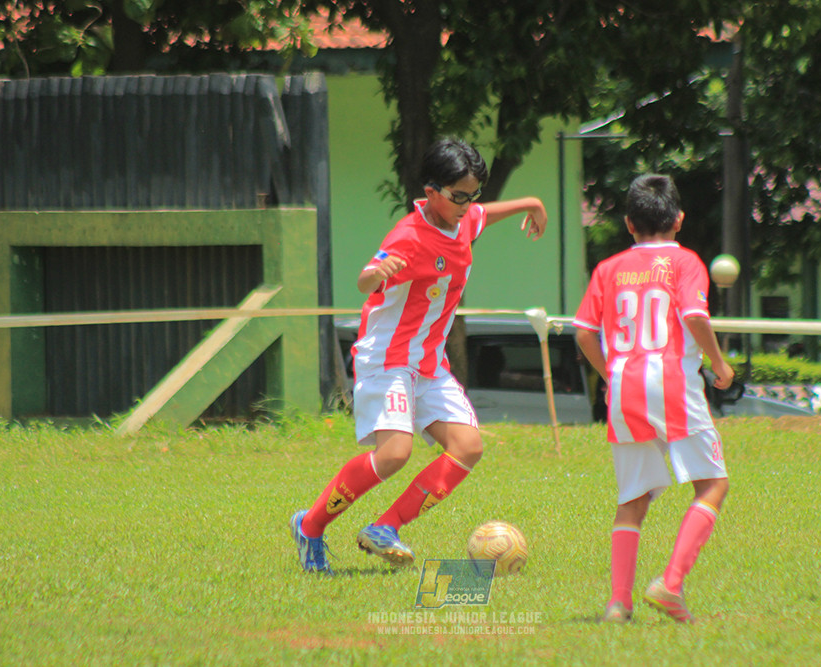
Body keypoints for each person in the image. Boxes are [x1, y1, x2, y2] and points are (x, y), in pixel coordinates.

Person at [290, 138, 547, 574]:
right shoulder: (408, 236)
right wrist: (375, 274)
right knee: (393, 454)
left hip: (429, 363)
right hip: (388, 359)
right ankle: (310, 527)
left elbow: (486, 215)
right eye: (459, 196)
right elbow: (365, 278)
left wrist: (532, 203)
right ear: (431, 193)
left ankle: (384, 527)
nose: (469, 204)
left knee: (467, 446)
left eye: (474, 194)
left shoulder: (463, 217)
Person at [573, 174, 734, 624]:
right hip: (673, 386)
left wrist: (612, 374)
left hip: (624, 388)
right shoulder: (685, 263)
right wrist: (719, 364)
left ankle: (618, 604)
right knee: (713, 484)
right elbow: (695, 315)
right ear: (679, 219)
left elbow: (584, 333)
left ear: (628, 224)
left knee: (634, 498)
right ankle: (671, 584)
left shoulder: (608, 268)